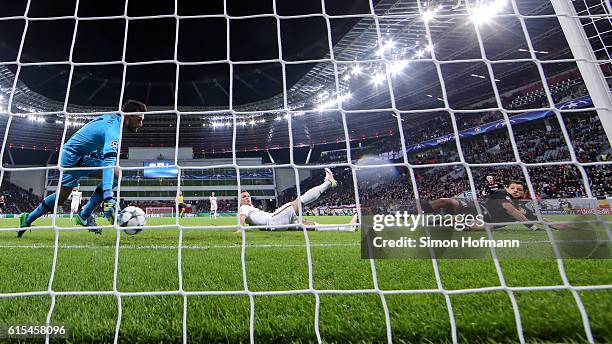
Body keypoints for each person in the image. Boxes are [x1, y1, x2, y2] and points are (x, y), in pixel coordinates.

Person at [18, 100, 146, 237]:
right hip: (74, 158)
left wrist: (101, 158)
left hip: (70, 155)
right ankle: (85, 214)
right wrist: (108, 196)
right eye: (139, 120)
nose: (141, 124)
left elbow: (99, 143)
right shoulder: (114, 129)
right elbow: (109, 162)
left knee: (60, 199)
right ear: (129, 116)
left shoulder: (111, 119)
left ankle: (27, 218)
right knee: (116, 174)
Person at [423, 180, 571, 231]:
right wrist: (530, 225)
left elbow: (547, 221)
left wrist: (573, 227)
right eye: (513, 188)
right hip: (479, 209)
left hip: (488, 221)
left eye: (520, 190)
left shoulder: (524, 209)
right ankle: (420, 212)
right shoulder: (502, 194)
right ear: (507, 189)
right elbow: (510, 210)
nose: (516, 191)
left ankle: (444, 222)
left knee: (489, 227)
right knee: (448, 201)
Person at [239, 168, 358, 231]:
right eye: (244, 197)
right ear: (240, 201)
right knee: (298, 201)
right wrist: (241, 228)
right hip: (273, 220)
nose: (247, 198)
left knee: (306, 225)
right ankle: (327, 183)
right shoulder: (243, 207)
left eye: (248, 196)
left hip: (275, 225)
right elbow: (242, 217)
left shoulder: (251, 209)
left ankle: (345, 228)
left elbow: (253, 221)